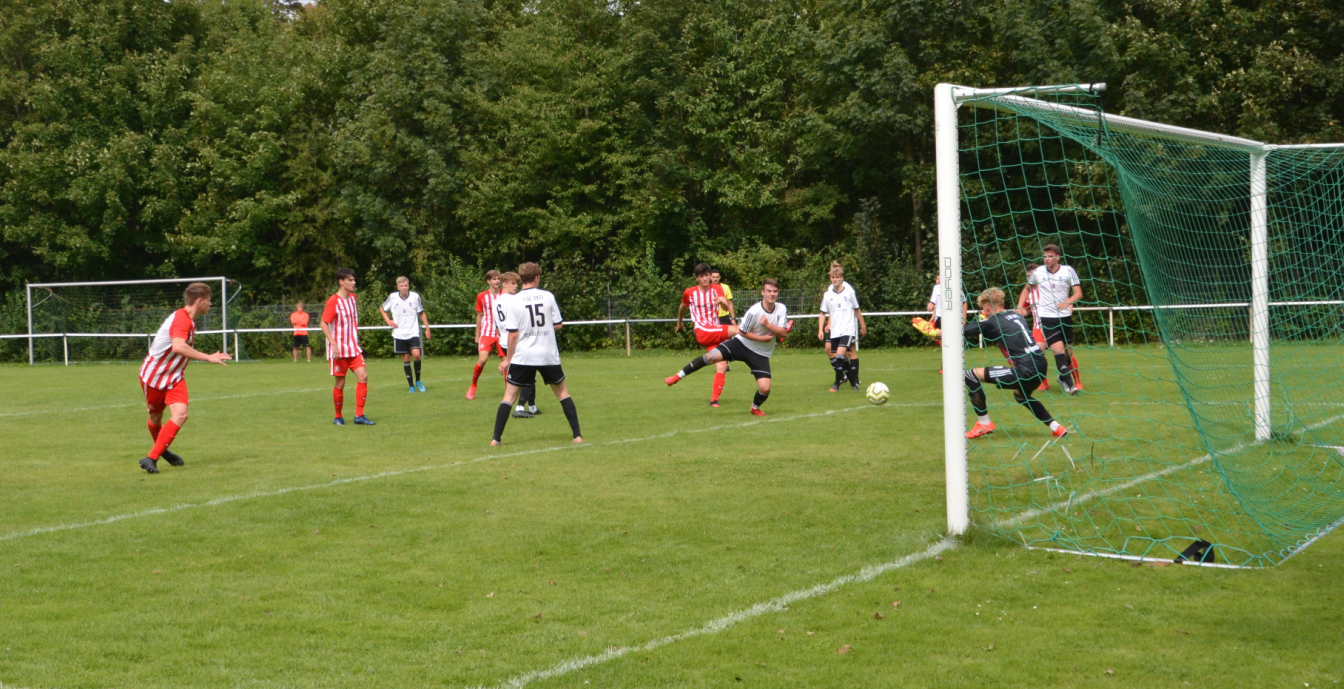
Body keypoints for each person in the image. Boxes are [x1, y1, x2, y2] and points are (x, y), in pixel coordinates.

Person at [137, 282, 232, 474]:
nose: (210, 304)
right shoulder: (182, 320)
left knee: (181, 414)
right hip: (154, 377)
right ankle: (161, 451)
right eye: (209, 300)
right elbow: (178, 347)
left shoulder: (190, 320)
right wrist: (208, 357)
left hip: (174, 377)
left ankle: (151, 457)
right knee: (155, 417)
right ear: (199, 301)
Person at [666, 278, 792, 416]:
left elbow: (783, 332)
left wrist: (768, 325)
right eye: (769, 291)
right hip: (741, 344)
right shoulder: (754, 311)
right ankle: (677, 377)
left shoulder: (781, 308)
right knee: (711, 356)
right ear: (762, 292)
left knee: (765, 388)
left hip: (761, 353)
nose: (772, 294)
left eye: (775, 291)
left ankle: (755, 407)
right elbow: (742, 332)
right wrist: (762, 338)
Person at [491, 262, 583, 445]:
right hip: (547, 353)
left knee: (509, 397)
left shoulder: (514, 300)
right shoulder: (548, 296)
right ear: (536, 278)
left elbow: (513, 333)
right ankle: (577, 436)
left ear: (522, 278)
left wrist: (507, 359)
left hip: (523, 355)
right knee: (563, 393)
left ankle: (495, 440)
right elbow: (558, 324)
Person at [962, 288, 1068, 440]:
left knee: (970, 375)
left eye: (982, 307)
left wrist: (932, 331)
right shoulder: (1016, 316)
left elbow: (962, 330)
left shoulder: (992, 321)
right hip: (1041, 365)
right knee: (1022, 396)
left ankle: (984, 423)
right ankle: (1057, 427)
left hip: (1025, 369)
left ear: (986, 306)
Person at [1019, 245, 1083, 395]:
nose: (1047, 259)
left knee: (1068, 353)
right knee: (1058, 351)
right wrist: (1019, 307)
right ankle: (1070, 385)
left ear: (1058, 257)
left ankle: (1062, 377)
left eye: (1050, 256)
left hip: (1064, 317)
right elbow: (1027, 288)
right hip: (1047, 318)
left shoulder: (1068, 271)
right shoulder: (1039, 272)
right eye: (1045, 256)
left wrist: (1067, 302)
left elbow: (1078, 293)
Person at [676, 263, 738, 407]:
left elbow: (724, 308)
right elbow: (683, 306)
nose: (705, 279)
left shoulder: (717, 289)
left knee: (722, 364)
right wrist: (679, 322)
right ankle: (770, 335)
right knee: (737, 330)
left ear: (710, 276)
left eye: (707, 275)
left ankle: (714, 400)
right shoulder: (690, 292)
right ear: (697, 278)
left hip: (714, 330)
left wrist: (724, 303)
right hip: (704, 330)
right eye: (702, 276)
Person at [321, 268, 374, 426]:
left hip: (354, 348)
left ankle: (359, 415)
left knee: (363, 376)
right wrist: (334, 343)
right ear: (341, 282)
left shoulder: (353, 298)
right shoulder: (334, 301)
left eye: (354, 279)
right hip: (339, 351)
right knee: (341, 383)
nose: (354, 282)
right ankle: (338, 416)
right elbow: (323, 323)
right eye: (350, 280)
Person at [493, 272, 539, 418]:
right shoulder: (513, 300)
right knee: (528, 374)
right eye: (512, 283)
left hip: (504, 341)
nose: (516, 286)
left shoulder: (496, 301)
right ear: (504, 284)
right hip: (516, 341)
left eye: (516, 283)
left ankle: (532, 406)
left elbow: (498, 326)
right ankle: (520, 407)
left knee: (529, 371)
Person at [818, 262, 866, 391]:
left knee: (843, 355)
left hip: (847, 329)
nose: (835, 278)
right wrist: (827, 325)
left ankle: (837, 383)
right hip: (835, 330)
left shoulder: (849, 291)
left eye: (837, 276)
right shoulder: (828, 293)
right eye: (833, 276)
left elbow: (856, 309)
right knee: (840, 356)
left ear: (842, 277)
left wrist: (862, 325)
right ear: (830, 276)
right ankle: (853, 383)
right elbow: (826, 311)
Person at [381, 276, 431, 393]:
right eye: (401, 286)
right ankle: (411, 385)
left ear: (409, 286)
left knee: (416, 354)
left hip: (413, 331)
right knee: (406, 357)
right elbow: (382, 309)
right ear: (398, 287)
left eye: (406, 285)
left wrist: (427, 328)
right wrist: (388, 321)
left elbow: (421, 313)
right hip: (399, 333)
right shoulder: (393, 297)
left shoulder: (415, 297)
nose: (404, 288)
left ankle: (418, 380)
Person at [468, 270, 504, 400]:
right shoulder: (482, 296)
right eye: (494, 279)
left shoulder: (504, 295)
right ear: (488, 281)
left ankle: (508, 391)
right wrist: (477, 333)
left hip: (502, 333)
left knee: (506, 362)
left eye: (498, 279)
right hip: (487, 332)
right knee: (482, 359)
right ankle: (473, 386)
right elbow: (480, 315)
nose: (497, 281)